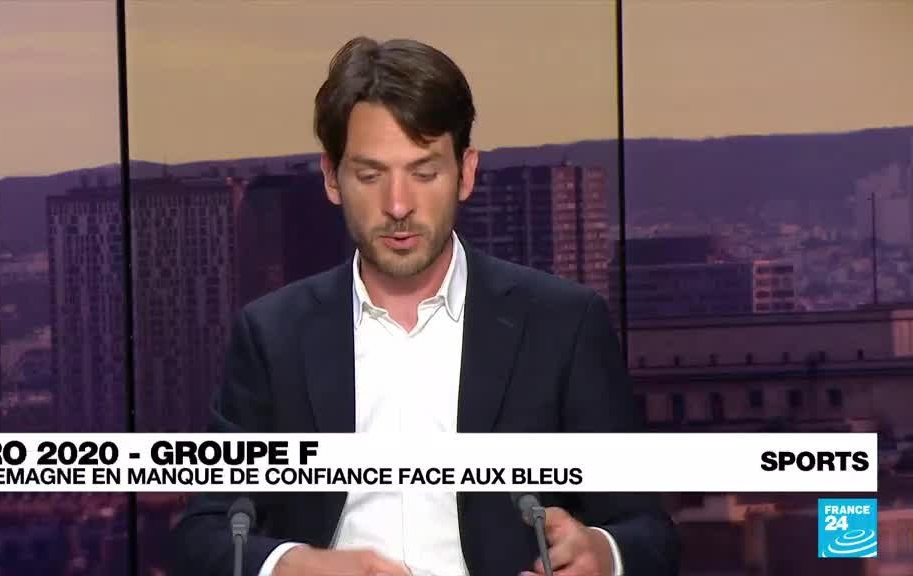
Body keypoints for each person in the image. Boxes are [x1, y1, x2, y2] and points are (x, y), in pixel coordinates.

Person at [172, 36, 679, 576]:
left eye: (424, 172)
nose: (398, 205)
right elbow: (204, 535)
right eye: (370, 175)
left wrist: (602, 553)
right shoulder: (273, 335)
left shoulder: (562, 325)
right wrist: (294, 565)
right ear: (331, 178)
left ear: (466, 172)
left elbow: (648, 533)